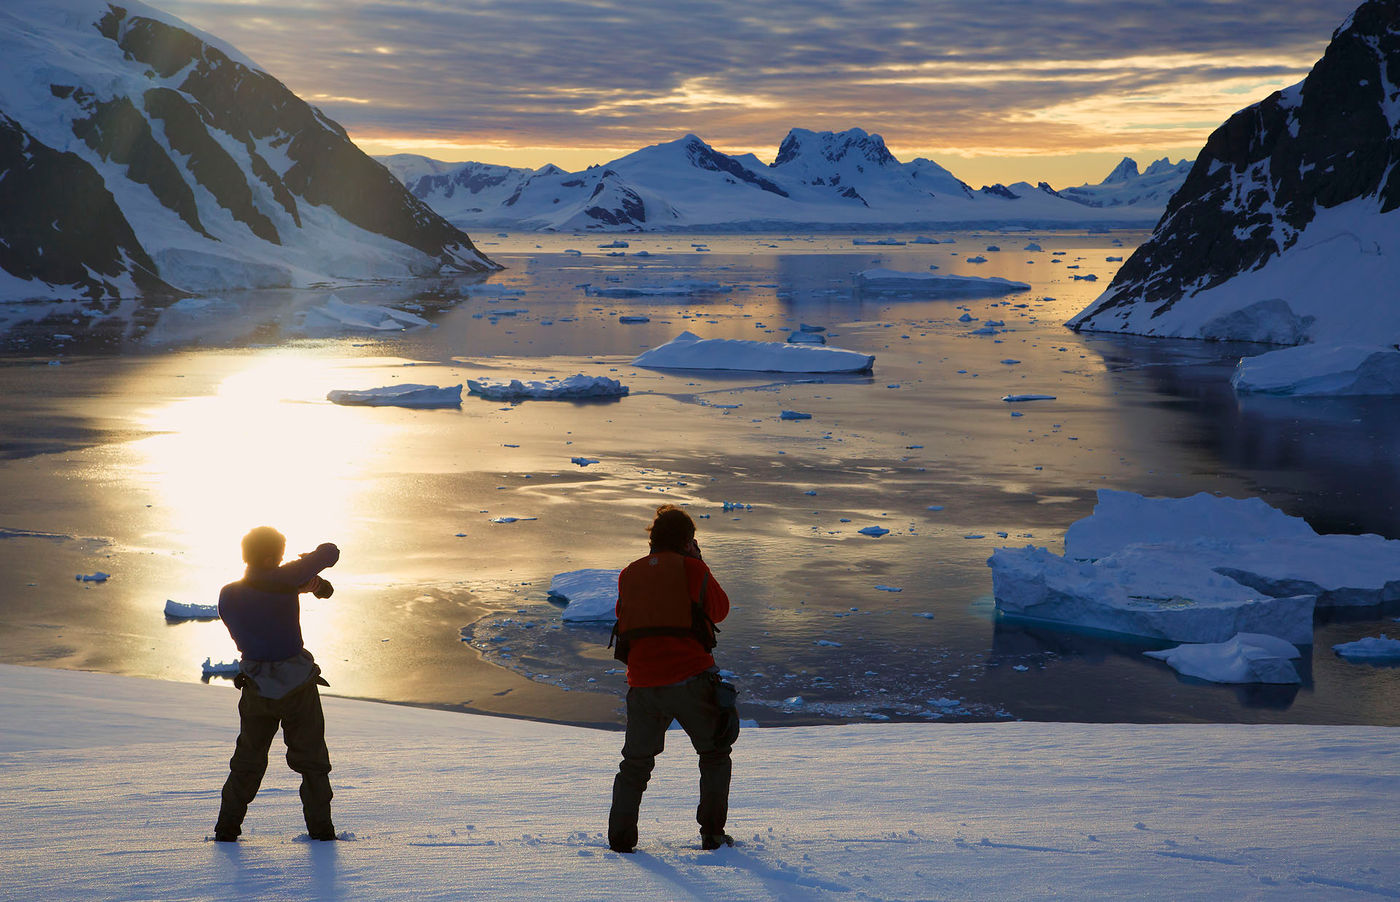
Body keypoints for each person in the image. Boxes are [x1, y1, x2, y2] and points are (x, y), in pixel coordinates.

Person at [607, 504, 739, 853]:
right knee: (714, 754)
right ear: (687, 541)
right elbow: (720, 608)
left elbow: (624, 617)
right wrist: (698, 562)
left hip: (643, 685)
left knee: (634, 766)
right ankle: (712, 834)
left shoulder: (629, 573)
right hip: (691, 679)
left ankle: (620, 841)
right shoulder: (692, 569)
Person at [213, 526, 340, 843]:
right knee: (312, 762)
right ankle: (322, 834)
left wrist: (289, 587)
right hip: (298, 688)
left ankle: (227, 830)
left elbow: (261, 600)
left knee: (247, 761)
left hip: (255, 688)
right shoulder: (286, 579)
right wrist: (304, 567)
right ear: (273, 557)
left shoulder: (228, 594)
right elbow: (331, 552)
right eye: (280, 556)